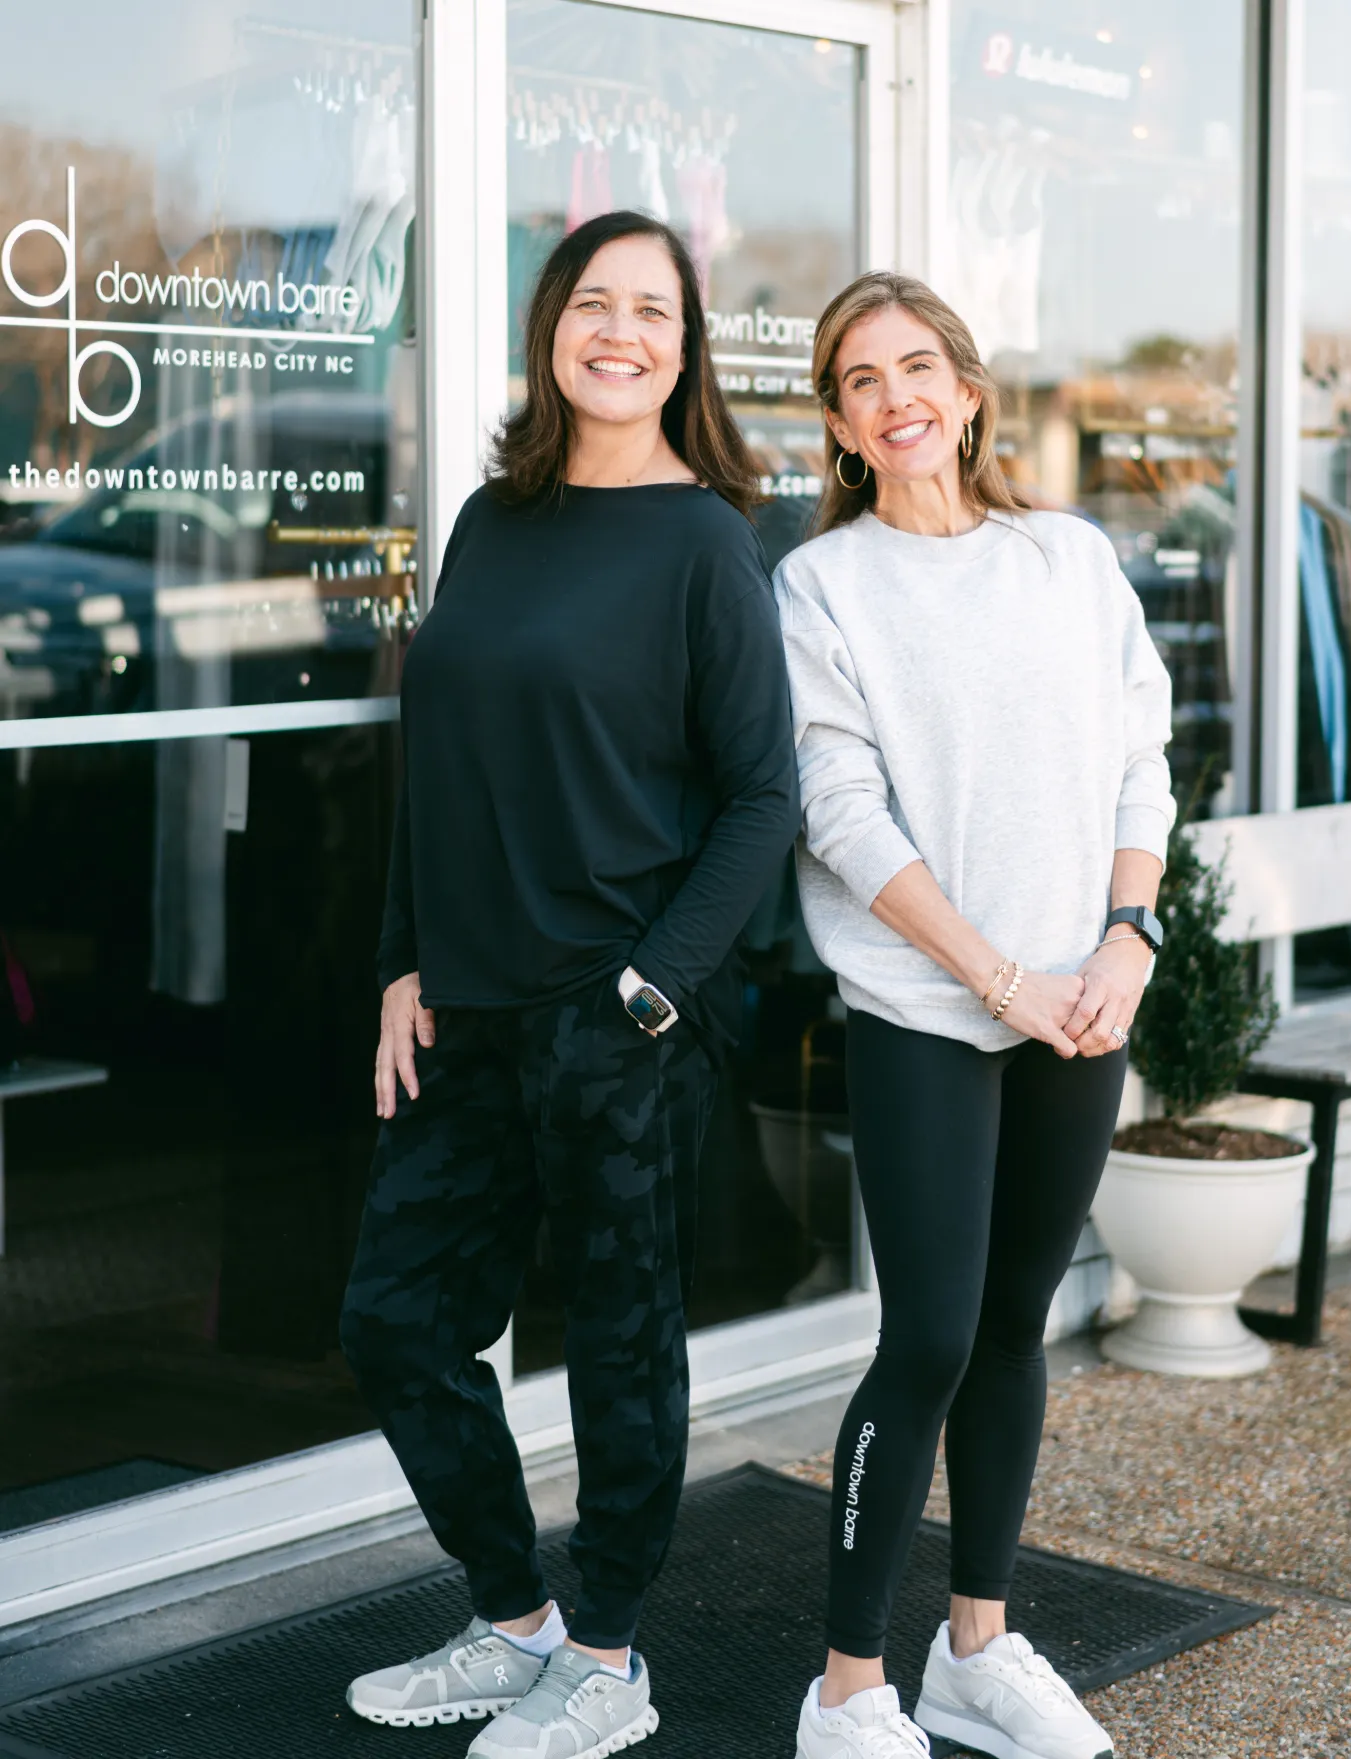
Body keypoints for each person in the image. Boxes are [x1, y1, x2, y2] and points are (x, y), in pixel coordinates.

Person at [338, 210, 799, 1759]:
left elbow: (762, 798)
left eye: (653, 311)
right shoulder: (493, 518)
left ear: (687, 347)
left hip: (616, 1014)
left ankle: (606, 1657)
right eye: (592, 304)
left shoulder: (706, 542)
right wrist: (406, 950)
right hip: (468, 1004)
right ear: (551, 330)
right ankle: (514, 1619)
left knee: (617, 1340)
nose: (620, 331)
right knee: (398, 1316)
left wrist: (655, 992)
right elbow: (439, 758)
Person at [776, 271, 1175, 1759]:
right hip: (927, 1011)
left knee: (1018, 1326)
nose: (901, 397)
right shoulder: (823, 585)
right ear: (838, 422)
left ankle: (977, 1650)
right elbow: (842, 813)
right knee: (929, 1335)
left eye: (921, 366)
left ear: (972, 388)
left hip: (1085, 998)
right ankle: (846, 1689)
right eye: (866, 380)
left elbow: (1146, 754)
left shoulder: (1066, 557)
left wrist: (1127, 937)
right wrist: (995, 973)